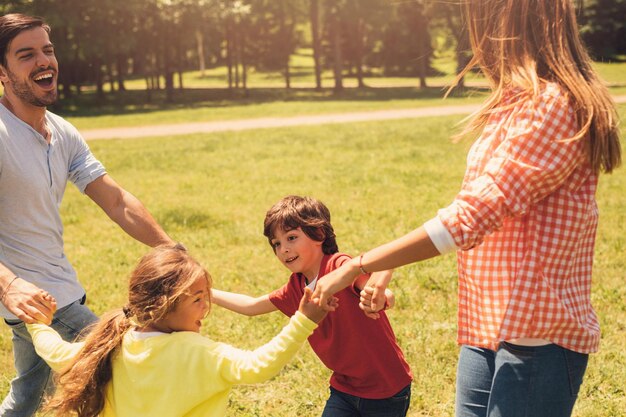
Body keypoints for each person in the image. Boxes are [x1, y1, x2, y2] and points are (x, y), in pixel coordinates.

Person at [312, 1, 622, 417]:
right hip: (486, 323)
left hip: (538, 335)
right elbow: (467, 209)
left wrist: (355, 265)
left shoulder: (553, 105)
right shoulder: (513, 103)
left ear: (505, 20)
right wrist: (388, 266)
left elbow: (472, 217)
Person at [0, 13, 174, 416]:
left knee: (28, 395)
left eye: (48, 50)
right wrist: (9, 287)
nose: (44, 61)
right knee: (115, 362)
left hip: (55, 289)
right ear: (3, 73)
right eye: (26, 55)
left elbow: (116, 201)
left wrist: (171, 249)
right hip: (33, 297)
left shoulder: (61, 132)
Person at [26, 245, 329, 417]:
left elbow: (58, 352)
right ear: (164, 306)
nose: (206, 308)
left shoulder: (109, 345)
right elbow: (258, 366)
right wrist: (303, 320)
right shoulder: (196, 352)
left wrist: (37, 323)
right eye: (197, 299)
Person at [212, 195, 413, 417]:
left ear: (318, 234)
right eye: (276, 244)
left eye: (291, 238)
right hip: (344, 388)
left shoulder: (340, 267)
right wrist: (207, 293)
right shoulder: (296, 288)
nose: (283, 249)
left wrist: (381, 295)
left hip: (386, 390)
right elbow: (251, 306)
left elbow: (379, 282)